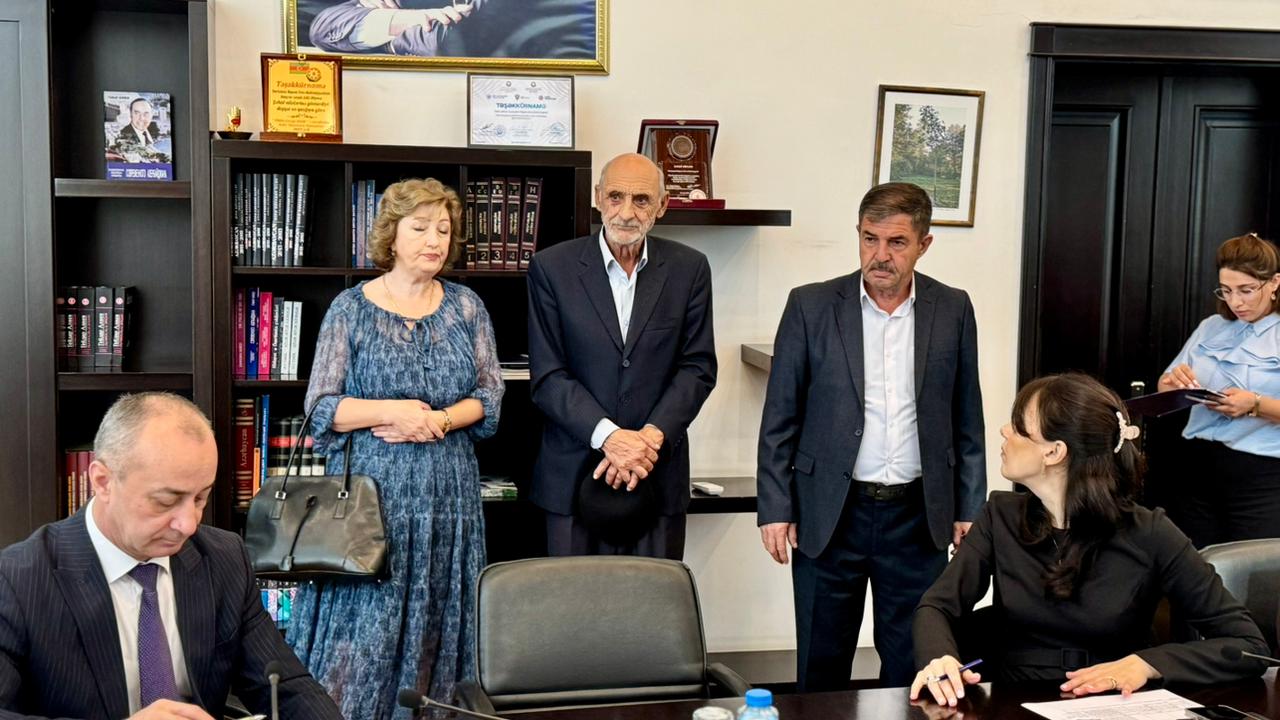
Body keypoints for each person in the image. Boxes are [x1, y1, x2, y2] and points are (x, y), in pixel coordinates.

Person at [910, 373, 1270, 707]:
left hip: (1116, 705)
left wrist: (1146, 664)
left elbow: (1248, 645)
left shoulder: (1151, 532)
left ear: (1054, 452)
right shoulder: (1000, 515)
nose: (1005, 432)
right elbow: (937, 606)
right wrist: (939, 658)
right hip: (1013, 701)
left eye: (1019, 428)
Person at [286, 178, 504, 719]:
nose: (434, 240)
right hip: (370, 502)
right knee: (364, 634)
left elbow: (490, 396)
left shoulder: (467, 307)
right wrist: (392, 411)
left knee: (440, 625)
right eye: (421, 227)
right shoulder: (350, 309)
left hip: (449, 500)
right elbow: (321, 407)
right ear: (391, 234)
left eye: (444, 230)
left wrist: (438, 420)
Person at [756, 182, 986, 689]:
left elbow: (967, 417)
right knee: (821, 664)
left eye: (897, 242)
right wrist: (774, 506)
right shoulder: (810, 306)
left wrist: (970, 507)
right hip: (830, 514)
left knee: (914, 667)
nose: (880, 255)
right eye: (869, 238)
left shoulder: (953, 308)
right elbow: (779, 418)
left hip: (918, 518)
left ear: (924, 244)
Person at [0, 392, 343, 720]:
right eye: (166, 502)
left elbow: (287, 690)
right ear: (103, 481)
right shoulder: (18, 580)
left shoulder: (224, 559)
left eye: (200, 498)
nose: (189, 524)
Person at [527, 152, 717, 559]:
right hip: (571, 475)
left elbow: (698, 368)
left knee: (655, 598)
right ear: (598, 197)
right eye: (615, 197)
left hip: (657, 472)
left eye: (641, 200)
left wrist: (648, 441)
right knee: (571, 600)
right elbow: (548, 376)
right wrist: (611, 438)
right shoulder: (551, 268)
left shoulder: (690, 269)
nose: (626, 212)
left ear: (662, 206)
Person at [1158, 232, 1280, 548]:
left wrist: (1255, 404)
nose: (1235, 302)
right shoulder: (1211, 326)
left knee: (1252, 570)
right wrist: (1174, 383)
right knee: (1193, 566)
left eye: (1246, 290)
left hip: (1262, 478)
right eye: (1226, 290)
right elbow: (1165, 384)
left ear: (1274, 283)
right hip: (1196, 469)